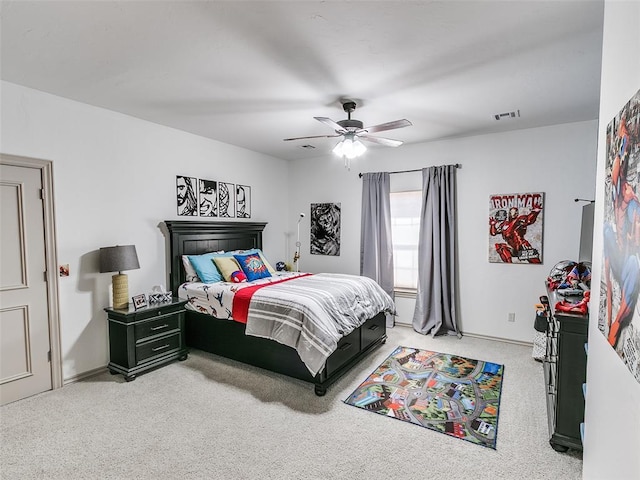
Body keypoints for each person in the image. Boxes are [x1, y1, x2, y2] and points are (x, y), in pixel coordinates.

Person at [603, 117, 640, 349]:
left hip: (626, 258)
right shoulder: (618, 201)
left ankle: (616, 324)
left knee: (635, 262)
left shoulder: (633, 207)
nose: (630, 188)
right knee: (606, 229)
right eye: (628, 187)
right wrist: (623, 141)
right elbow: (619, 169)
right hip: (616, 254)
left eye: (631, 188)